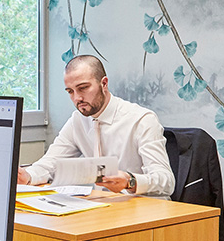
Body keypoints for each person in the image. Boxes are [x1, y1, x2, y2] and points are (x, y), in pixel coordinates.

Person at [18, 55, 174, 196]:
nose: (77, 98)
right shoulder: (77, 121)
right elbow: (50, 163)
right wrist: (28, 176)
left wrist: (130, 181)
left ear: (104, 83)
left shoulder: (141, 120)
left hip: (147, 210)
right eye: (70, 91)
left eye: (83, 88)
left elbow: (166, 181)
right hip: (105, 207)